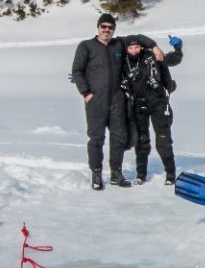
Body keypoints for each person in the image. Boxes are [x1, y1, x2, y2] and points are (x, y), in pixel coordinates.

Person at [71, 13, 128, 190]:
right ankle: (96, 173)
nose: (106, 30)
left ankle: (116, 173)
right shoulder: (86, 46)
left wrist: (155, 48)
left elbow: (139, 41)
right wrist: (86, 92)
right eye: (103, 26)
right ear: (98, 28)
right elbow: (77, 70)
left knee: (119, 136)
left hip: (116, 99)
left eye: (110, 27)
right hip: (95, 100)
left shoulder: (118, 45)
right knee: (96, 138)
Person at [120, 33, 183, 185]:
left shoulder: (152, 56)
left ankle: (170, 174)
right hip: (138, 105)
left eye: (136, 47)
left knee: (163, 139)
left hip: (158, 102)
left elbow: (173, 59)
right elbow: (106, 73)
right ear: (127, 49)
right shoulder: (123, 62)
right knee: (142, 141)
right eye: (131, 48)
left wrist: (178, 48)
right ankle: (141, 175)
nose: (134, 50)